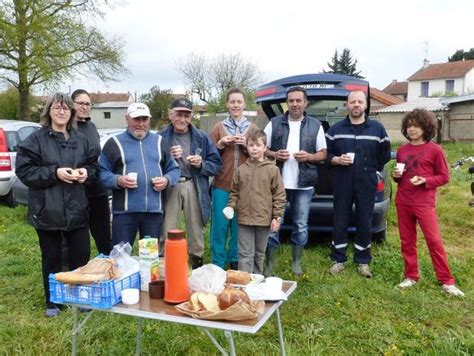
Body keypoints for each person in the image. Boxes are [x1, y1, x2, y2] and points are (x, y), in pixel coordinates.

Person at [15, 92, 99, 317]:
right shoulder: (36, 140)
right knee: (51, 258)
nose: (61, 112)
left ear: (72, 112)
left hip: (78, 209)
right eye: (57, 108)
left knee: (80, 257)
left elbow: (95, 168)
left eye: (65, 108)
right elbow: (24, 170)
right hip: (47, 210)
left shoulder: (81, 141)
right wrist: (55, 172)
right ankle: (53, 302)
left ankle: (81, 298)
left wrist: (85, 173)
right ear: (49, 112)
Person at [392, 109, 464, 296]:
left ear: (425, 127)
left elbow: (444, 177)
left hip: (424, 203)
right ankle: (411, 276)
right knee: (407, 241)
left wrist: (426, 181)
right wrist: (396, 176)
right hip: (403, 202)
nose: (411, 129)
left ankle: (447, 281)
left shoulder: (435, 150)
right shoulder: (402, 150)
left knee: (434, 241)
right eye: (409, 125)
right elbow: (400, 179)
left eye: (416, 125)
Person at [326, 90, 391, 278]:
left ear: (365, 105)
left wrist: (373, 171)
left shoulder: (377, 129)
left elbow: (385, 154)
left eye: (359, 102)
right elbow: (326, 155)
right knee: (340, 219)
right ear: (347, 104)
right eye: (352, 101)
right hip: (342, 181)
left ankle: (363, 261)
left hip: (366, 181)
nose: (356, 105)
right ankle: (338, 259)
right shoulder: (335, 129)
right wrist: (337, 160)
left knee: (364, 219)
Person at [263, 86, 327, 276]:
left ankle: (296, 262)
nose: (295, 104)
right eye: (291, 100)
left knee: (301, 225)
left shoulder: (315, 125)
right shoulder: (274, 123)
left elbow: (323, 153)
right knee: (274, 224)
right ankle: (269, 265)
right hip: (278, 184)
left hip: (304, 184)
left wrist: (308, 157)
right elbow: (262, 147)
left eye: (299, 100)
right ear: (287, 103)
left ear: (305, 103)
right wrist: (275, 154)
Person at [99, 102, 180, 246]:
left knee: (149, 259)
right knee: (121, 257)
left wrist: (167, 180)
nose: (141, 124)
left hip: (153, 213)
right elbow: (101, 172)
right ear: (127, 119)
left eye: (145, 119)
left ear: (149, 120)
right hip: (124, 213)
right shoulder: (114, 143)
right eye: (136, 119)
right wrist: (118, 180)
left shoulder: (160, 142)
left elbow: (174, 169)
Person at [159, 98, 222, 269]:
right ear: (171, 114)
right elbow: (152, 165)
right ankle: (167, 268)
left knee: (196, 229)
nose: (182, 119)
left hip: (193, 185)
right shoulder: (160, 137)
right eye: (179, 114)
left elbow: (216, 165)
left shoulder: (201, 137)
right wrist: (167, 158)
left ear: (191, 116)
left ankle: (197, 267)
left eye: (186, 115)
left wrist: (201, 164)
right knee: (167, 228)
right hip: (170, 185)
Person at [209, 88, 258, 269]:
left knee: (239, 227)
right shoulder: (218, 128)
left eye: (239, 102)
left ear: (244, 105)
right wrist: (220, 144)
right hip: (222, 185)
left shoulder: (252, 129)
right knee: (220, 227)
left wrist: (246, 145)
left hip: (245, 187)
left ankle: (235, 262)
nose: (236, 105)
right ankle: (218, 264)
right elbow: (210, 156)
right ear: (227, 105)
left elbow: (259, 155)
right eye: (232, 102)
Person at [225, 129, 286, 274]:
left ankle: (257, 280)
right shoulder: (240, 170)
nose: (254, 148)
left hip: (264, 219)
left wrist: (277, 217)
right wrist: (230, 207)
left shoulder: (273, 170)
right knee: (245, 254)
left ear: (265, 147)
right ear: (246, 146)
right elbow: (234, 193)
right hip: (244, 219)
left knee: (259, 253)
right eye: (251, 145)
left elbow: (279, 195)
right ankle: (245, 283)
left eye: (258, 145)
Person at [71, 89, 112, 255]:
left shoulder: (91, 126)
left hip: (97, 188)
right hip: (76, 190)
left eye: (88, 104)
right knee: (77, 240)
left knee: (104, 236)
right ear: (71, 104)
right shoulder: (66, 128)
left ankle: (109, 267)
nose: (85, 107)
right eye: (81, 103)